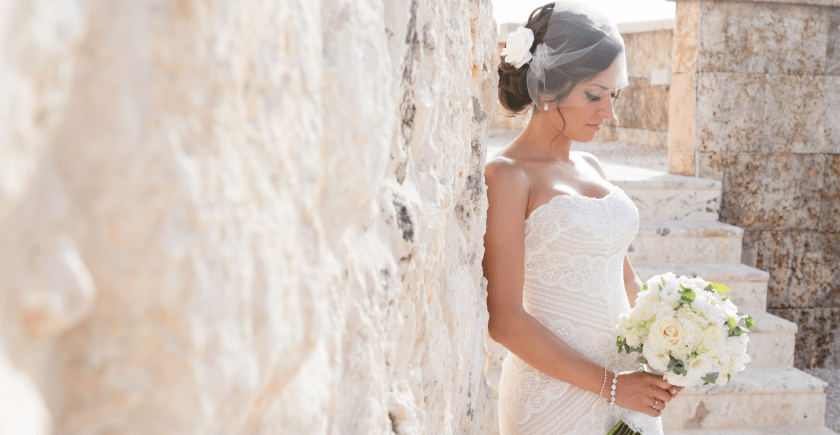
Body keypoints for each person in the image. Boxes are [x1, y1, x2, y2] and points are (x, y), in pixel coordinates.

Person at [482, 2, 683, 434]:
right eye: (594, 95)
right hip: (555, 398)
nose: (608, 112)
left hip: (630, 390)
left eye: (614, 96)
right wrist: (613, 386)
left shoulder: (594, 167)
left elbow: (623, 278)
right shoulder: (507, 176)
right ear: (549, 87)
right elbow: (505, 320)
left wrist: (675, 342)